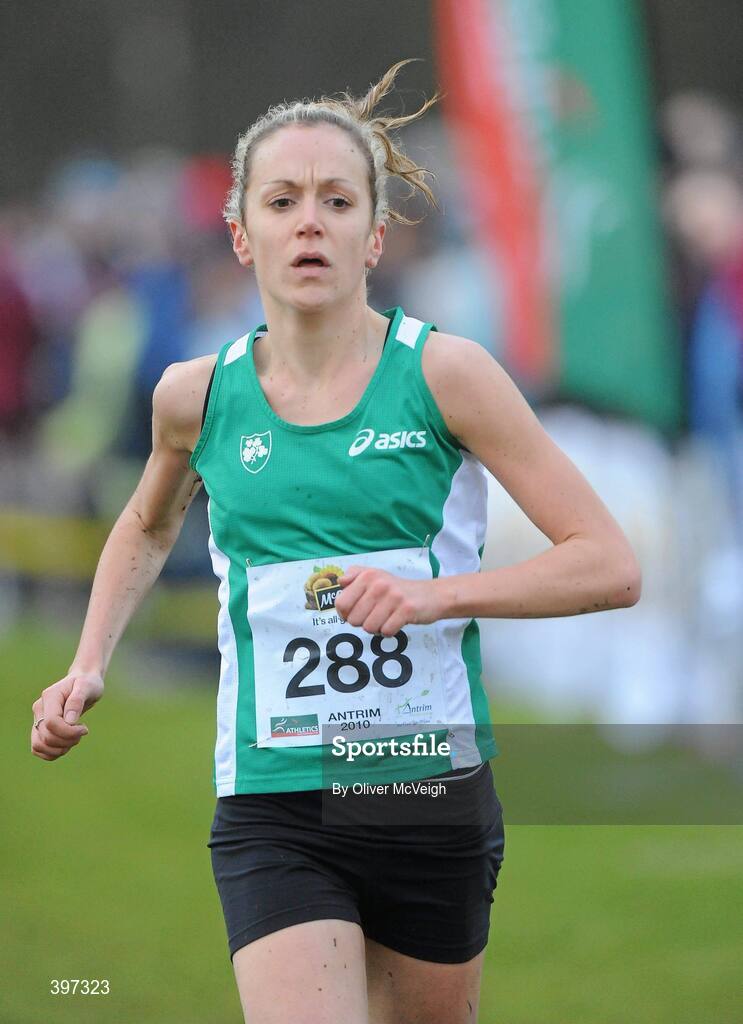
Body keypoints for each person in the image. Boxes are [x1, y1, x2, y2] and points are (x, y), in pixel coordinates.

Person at [30, 59, 641, 1024]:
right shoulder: (195, 395)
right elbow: (146, 523)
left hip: (423, 794)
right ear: (242, 234)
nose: (308, 220)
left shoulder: (448, 375)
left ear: (374, 236)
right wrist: (89, 660)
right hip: (273, 803)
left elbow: (608, 564)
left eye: (335, 200)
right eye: (281, 200)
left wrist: (437, 596)